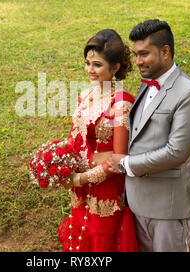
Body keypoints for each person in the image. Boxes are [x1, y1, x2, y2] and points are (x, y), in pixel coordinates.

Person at [106, 19, 190, 252]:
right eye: (135, 54)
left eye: (144, 54)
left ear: (165, 52)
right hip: (138, 203)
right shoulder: (147, 84)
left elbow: (177, 152)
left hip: (169, 208)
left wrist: (125, 164)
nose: (138, 61)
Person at [58, 29, 138, 252]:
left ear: (115, 68)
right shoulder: (86, 95)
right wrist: (58, 165)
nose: (89, 70)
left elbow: (119, 159)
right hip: (80, 186)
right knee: (81, 239)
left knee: (101, 242)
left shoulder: (121, 103)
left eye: (97, 65)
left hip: (105, 189)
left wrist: (82, 178)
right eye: (87, 63)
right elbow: (75, 137)